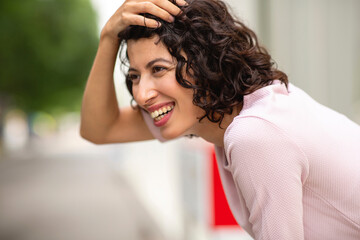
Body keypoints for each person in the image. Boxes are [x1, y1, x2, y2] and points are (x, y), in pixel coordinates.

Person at [80, 0, 360, 239]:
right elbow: (99, 130)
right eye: (135, 76)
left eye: (158, 69)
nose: (142, 94)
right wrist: (108, 37)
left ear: (205, 63)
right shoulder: (248, 105)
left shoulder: (255, 133)